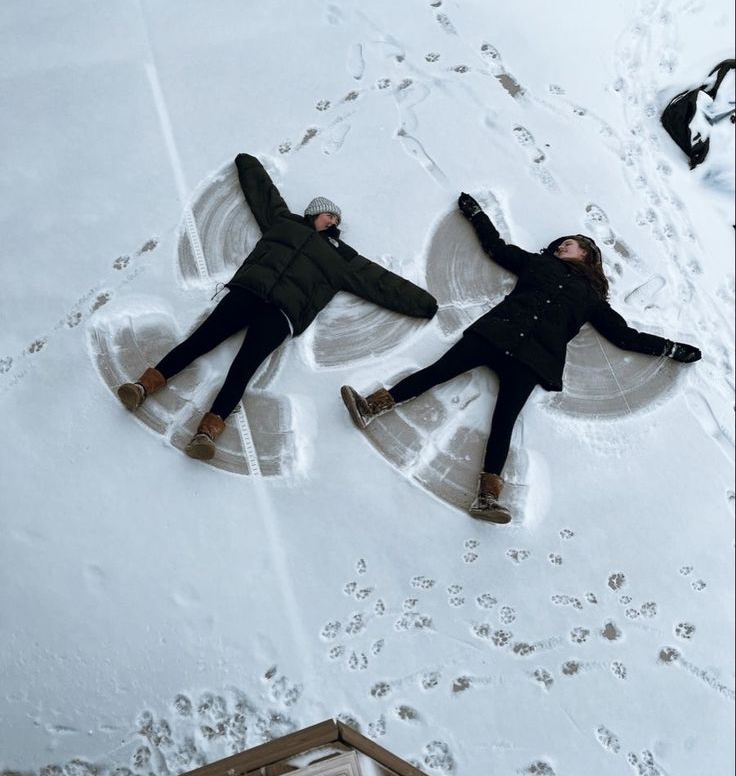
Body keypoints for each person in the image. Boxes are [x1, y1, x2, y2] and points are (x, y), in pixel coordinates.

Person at [340, 192, 701, 524]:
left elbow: (624, 337)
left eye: (569, 244)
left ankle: (487, 497)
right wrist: (477, 214)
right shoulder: (537, 264)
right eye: (560, 244)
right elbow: (495, 248)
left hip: (533, 359)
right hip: (495, 334)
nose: (561, 247)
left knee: (504, 422)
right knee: (437, 372)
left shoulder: (590, 298)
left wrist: (671, 349)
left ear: (587, 254)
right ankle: (372, 407)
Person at [117, 153, 438, 460]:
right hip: (248, 292)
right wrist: (248, 163)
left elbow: (381, 283)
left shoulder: (343, 256)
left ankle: (207, 433)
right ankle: (143, 387)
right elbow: (264, 194)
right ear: (315, 212)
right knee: (199, 342)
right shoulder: (283, 222)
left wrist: (424, 304)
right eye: (330, 214)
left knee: (243, 369)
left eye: (337, 219)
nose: (335, 220)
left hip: (281, 315)